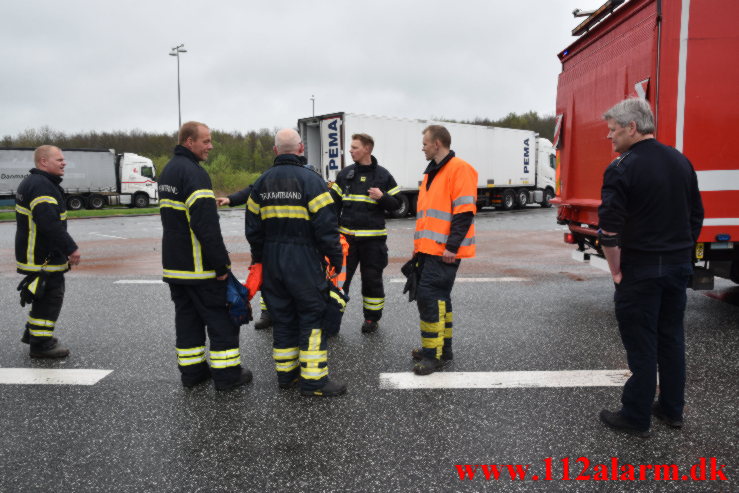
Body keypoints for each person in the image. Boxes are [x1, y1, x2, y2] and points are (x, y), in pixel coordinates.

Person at [598, 98, 704, 437]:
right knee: (671, 338)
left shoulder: (621, 167)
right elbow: (695, 216)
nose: (609, 137)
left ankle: (635, 416)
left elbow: (610, 229)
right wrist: (682, 253)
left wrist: (615, 271)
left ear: (632, 127)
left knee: (642, 344)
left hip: (641, 270)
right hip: (676, 267)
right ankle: (671, 409)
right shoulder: (680, 161)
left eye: (613, 130)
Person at [245, 128, 346, 397]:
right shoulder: (312, 182)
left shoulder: (261, 183)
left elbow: (252, 229)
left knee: (283, 318)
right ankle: (314, 382)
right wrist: (335, 259)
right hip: (304, 261)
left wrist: (260, 258)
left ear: (275, 151)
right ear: (301, 149)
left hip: (273, 262)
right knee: (312, 316)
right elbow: (327, 227)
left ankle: (286, 375)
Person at [159, 121, 252, 391]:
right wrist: (220, 263)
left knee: (187, 322)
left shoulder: (169, 171)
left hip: (176, 267)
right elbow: (205, 225)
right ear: (190, 142)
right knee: (221, 321)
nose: (210, 146)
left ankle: (193, 373)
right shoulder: (194, 173)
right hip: (200, 268)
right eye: (206, 141)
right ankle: (228, 377)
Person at [410, 125, 478, 375]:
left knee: (430, 298)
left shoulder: (459, 169)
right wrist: (418, 250)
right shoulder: (432, 173)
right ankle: (443, 349)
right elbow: (427, 218)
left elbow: (464, 211)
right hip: (430, 250)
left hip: (444, 250)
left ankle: (433, 355)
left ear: (437, 144)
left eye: (425, 143)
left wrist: (452, 246)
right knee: (440, 299)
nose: (423, 147)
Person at [329, 133, 401, 333]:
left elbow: (398, 204)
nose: (350, 150)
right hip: (346, 242)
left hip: (373, 243)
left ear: (367, 149)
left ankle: (371, 319)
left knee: (372, 283)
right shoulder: (345, 174)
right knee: (339, 282)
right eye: (351, 147)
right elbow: (331, 205)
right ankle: (333, 320)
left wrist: (382, 197)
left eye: (354, 147)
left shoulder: (383, 176)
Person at [15, 145, 81, 358]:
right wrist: (71, 248)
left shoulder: (36, 183)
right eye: (59, 159)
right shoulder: (42, 186)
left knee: (42, 296)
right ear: (43, 162)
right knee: (51, 297)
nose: (64, 162)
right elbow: (49, 224)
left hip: (39, 254)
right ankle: (41, 345)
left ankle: (33, 335)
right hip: (42, 256)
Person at [217, 186, 272, 331]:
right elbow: (252, 190)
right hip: (266, 242)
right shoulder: (268, 178)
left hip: (293, 243)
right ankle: (267, 313)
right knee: (264, 279)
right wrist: (230, 199)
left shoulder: (303, 180)